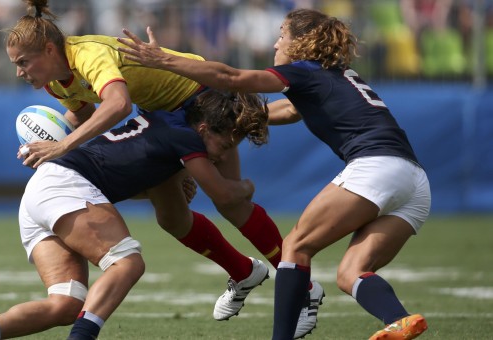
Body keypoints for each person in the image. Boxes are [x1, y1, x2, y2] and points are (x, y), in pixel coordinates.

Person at [2, 0, 322, 336]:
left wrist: (62, 146)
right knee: (171, 217)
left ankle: (304, 289)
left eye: (23, 62)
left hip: (200, 99)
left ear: (50, 50)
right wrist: (46, 146)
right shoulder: (57, 82)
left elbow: (117, 104)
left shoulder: (87, 54)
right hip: (164, 119)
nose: (19, 72)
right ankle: (244, 271)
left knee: (230, 200)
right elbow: (81, 117)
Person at [118, 7, 431, 340]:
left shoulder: (303, 71)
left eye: (282, 36)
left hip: (376, 167)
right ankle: (399, 320)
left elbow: (230, 77)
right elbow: (290, 110)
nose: (275, 44)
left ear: (301, 44)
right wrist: (236, 118)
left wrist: (163, 60)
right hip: (414, 182)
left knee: (294, 247)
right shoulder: (336, 74)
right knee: (351, 273)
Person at [0, 89, 268, 340]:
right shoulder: (186, 137)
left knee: (66, 304)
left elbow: (124, 172)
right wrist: (248, 186)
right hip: (66, 186)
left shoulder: (161, 120)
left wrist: (165, 182)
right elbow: (223, 193)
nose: (227, 151)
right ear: (204, 126)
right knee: (128, 263)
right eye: (226, 143)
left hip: (42, 193)